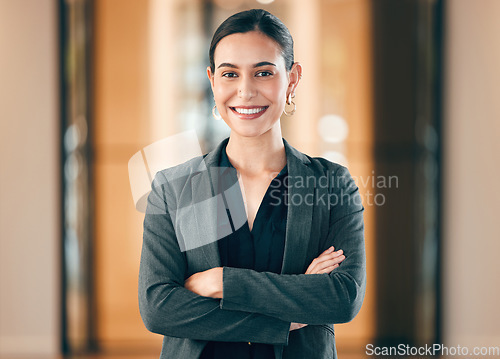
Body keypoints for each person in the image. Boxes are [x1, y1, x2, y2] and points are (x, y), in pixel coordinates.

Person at [139, 9, 366, 359]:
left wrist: (220, 282)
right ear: (213, 81)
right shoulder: (173, 188)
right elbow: (158, 307)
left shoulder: (332, 184)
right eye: (230, 74)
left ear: (292, 80)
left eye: (263, 72)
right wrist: (286, 315)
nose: (245, 91)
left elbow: (342, 297)